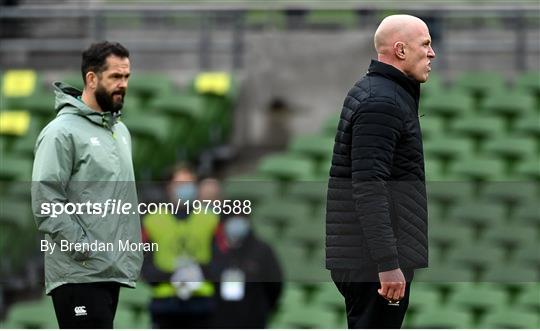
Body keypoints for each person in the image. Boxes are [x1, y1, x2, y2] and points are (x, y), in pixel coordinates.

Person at [326, 15, 435, 328]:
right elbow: (369, 187)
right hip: (372, 262)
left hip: (368, 257)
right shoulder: (381, 102)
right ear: (400, 50)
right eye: (425, 44)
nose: (432, 53)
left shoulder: (385, 93)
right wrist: (387, 263)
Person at [31, 41, 144, 328]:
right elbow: (46, 201)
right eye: (115, 77)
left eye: (126, 77)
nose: (123, 85)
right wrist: (85, 248)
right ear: (91, 79)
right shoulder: (60, 132)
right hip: (79, 271)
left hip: (110, 270)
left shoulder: (120, 131)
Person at [141, 165, 219, 328]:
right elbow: (142, 261)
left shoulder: (210, 219)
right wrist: (170, 275)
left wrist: (200, 272)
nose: (186, 188)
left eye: (190, 183)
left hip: (201, 303)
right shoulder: (153, 220)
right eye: (180, 183)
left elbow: (221, 257)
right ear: (169, 187)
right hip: (165, 304)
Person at [208, 213, 283, 328]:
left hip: (252, 320)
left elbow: (274, 286)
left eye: (241, 218)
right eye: (233, 218)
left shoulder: (262, 251)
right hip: (217, 320)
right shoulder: (211, 249)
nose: (237, 223)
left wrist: (261, 307)